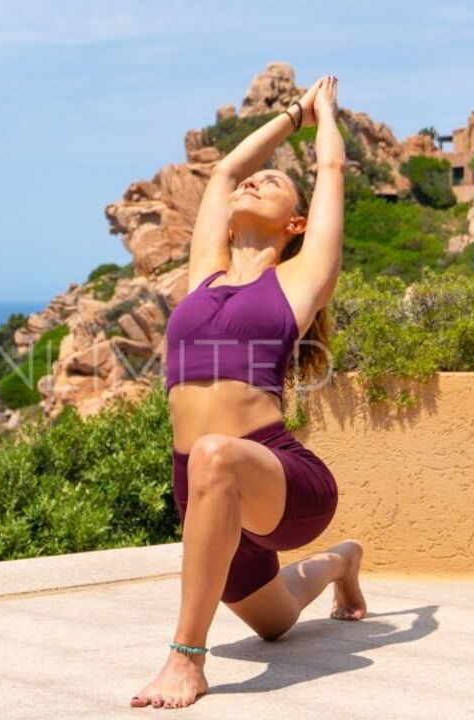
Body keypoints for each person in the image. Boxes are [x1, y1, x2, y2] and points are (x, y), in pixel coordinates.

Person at [130, 75, 367, 710]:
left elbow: (334, 163)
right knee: (275, 621)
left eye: (271, 182)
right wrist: (288, 114)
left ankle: (186, 661)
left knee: (213, 452)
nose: (250, 182)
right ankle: (343, 563)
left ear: (297, 221)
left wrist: (322, 115)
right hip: (200, 482)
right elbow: (225, 169)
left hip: (277, 471)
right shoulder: (203, 277)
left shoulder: (299, 280)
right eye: (249, 183)